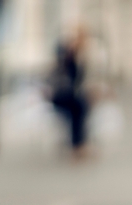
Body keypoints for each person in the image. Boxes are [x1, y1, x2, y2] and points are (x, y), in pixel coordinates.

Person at [48, 26, 90, 157]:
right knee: (78, 107)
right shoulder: (64, 56)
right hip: (59, 95)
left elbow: (78, 81)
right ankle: (77, 146)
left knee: (81, 106)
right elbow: (62, 80)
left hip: (68, 95)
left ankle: (80, 144)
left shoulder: (77, 57)